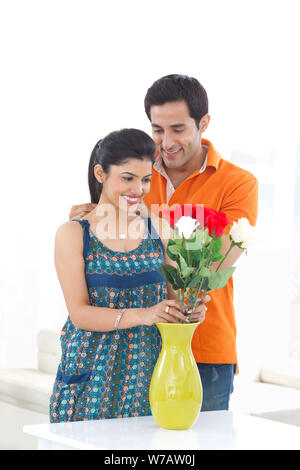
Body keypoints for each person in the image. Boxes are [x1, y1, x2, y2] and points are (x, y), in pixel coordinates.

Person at [70, 75, 259, 412]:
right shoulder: (138, 173)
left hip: (205, 348)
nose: (166, 141)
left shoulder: (238, 184)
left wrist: (147, 221)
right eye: (157, 129)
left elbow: (216, 265)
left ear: (204, 123)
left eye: (178, 129)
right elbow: (102, 238)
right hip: (136, 350)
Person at [50, 128, 208, 423]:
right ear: (100, 173)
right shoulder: (73, 233)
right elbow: (80, 313)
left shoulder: (159, 230)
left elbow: (177, 303)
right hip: (89, 381)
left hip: (150, 379)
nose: (139, 189)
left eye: (146, 179)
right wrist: (144, 314)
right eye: (128, 178)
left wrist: (192, 308)